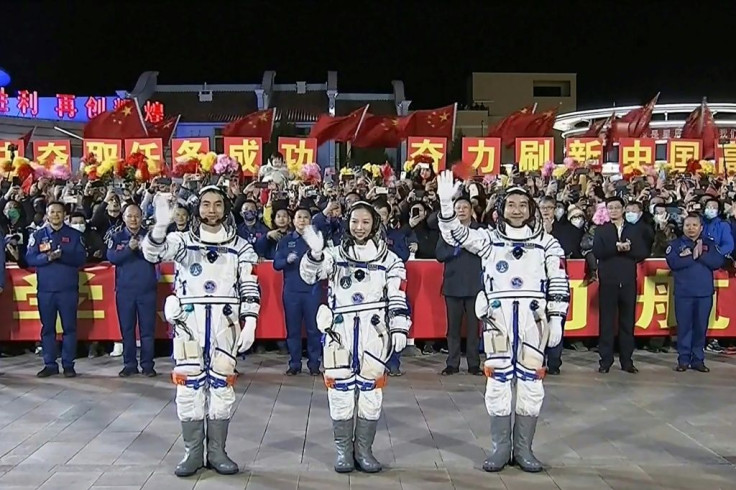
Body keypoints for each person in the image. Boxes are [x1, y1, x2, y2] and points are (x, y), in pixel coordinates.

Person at [435, 170, 569, 473]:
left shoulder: (547, 243)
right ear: (500, 210)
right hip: (499, 320)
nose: (517, 210)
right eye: (511, 205)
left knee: (531, 384)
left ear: (531, 210)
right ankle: (500, 448)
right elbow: (456, 235)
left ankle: (524, 449)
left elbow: (559, 280)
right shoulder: (488, 240)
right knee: (497, 382)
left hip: (534, 320)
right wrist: (446, 204)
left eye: (523, 205)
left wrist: (557, 318)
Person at [142, 186, 260, 477]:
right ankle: (192, 452)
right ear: (198, 209)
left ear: (225, 208)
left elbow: (248, 284)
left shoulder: (240, 246)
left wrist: (252, 320)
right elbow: (152, 253)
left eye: (217, 205)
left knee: (222, 386)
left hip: (225, 322)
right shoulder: (182, 241)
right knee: (188, 387)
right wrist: (159, 224)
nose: (211, 210)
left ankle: (218, 452)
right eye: (206, 204)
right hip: (189, 323)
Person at [299, 201, 411, 474]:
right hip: (341, 332)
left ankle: (364, 450)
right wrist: (314, 253)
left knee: (371, 393)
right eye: (354, 221)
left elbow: (397, 294)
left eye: (366, 222)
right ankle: (342, 451)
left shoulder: (390, 260)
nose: (359, 227)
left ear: (375, 224)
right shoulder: (335, 255)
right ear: (347, 223)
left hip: (374, 332)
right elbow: (309, 276)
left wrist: (399, 328)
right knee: (340, 392)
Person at [26, 202, 87, 378]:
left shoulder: (75, 235)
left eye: (59, 212)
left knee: (69, 328)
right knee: (47, 329)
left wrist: (63, 256)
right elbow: (29, 258)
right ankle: (50, 363)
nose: (55, 215)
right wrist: (47, 257)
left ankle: (68, 364)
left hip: (67, 290)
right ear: (47, 214)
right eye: (52, 212)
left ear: (64, 215)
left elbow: (81, 258)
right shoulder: (38, 235)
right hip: (46, 290)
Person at [593, 197, 649, 374]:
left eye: (617, 207)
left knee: (627, 322)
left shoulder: (634, 230)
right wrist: (616, 248)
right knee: (607, 322)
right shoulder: (602, 230)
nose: (614, 211)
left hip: (627, 281)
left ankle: (627, 361)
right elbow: (598, 252)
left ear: (623, 209)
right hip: (608, 281)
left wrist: (628, 249)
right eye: (611, 208)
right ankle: (605, 361)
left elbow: (643, 252)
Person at [666, 214, 724, 372]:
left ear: (701, 227)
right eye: (687, 225)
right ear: (683, 227)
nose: (691, 228)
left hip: (704, 293)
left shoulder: (709, 244)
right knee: (684, 327)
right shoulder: (676, 244)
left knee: (700, 328)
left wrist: (701, 254)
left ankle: (698, 360)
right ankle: (683, 360)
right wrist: (693, 255)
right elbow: (673, 263)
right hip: (684, 293)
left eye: (694, 225)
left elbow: (717, 262)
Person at [107, 204, 158, 377]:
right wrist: (129, 248)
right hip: (125, 291)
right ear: (124, 218)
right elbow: (112, 258)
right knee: (127, 329)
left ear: (142, 217)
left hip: (147, 290)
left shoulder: (151, 236)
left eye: (137, 216)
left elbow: (158, 256)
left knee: (147, 330)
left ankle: (148, 365)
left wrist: (145, 248)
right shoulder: (116, 236)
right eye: (130, 216)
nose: (133, 219)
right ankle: (129, 364)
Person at [435, 194, 483, 376]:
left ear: (471, 210)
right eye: (458, 208)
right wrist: (457, 247)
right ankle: (452, 364)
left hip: (475, 287)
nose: (461, 210)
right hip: (453, 286)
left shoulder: (481, 231)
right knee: (453, 329)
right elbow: (440, 255)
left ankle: (473, 364)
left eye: (465, 207)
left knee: (473, 329)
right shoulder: (447, 231)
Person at [273, 208, 322, 376]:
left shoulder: (317, 241)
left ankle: (314, 364)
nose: (302, 220)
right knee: (293, 330)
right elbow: (276, 264)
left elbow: (326, 263)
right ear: (293, 221)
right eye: (299, 217)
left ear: (310, 221)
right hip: (292, 292)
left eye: (306, 217)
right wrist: (287, 260)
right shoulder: (286, 240)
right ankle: (294, 364)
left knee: (313, 329)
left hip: (312, 291)